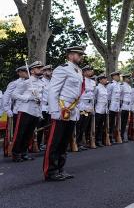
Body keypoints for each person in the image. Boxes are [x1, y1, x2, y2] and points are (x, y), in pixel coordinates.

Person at [44, 45, 86, 181]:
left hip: (72, 111)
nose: (80, 57)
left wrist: (77, 110)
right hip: (61, 110)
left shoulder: (78, 71)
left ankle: (60, 169)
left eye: (81, 55)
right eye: (78, 54)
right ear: (70, 55)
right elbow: (53, 90)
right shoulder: (62, 69)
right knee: (55, 142)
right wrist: (54, 110)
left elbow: (77, 93)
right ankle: (50, 171)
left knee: (64, 142)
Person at [11, 61, 44, 162]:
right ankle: (16, 154)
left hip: (35, 111)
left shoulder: (41, 83)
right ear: (32, 70)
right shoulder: (25, 82)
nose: (41, 70)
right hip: (25, 110)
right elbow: (14, 95)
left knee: (29, 134)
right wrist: (28, 97)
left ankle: (24, 153)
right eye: (38, 68)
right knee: (20, 133)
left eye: (41, 68)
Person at [76, 65, 95, 150]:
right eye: (88, 70)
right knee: (79, 125)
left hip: (88, 107)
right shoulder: (81, 81)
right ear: (84, 72)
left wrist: (92, 107)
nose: (91, 72)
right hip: (81, 106)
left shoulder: (92, 82)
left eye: (91, 70)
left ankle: (79, 142)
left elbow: (92, 96)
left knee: (84, 125)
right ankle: (75, 142)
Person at [93, 75, 109, 147]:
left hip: (104, 110)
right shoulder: (97, 88)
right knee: (95, 126)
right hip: (98, 109)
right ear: (100, 80)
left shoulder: (105, 88)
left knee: (101, 126)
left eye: (105, 79)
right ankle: (93, 140)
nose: (106, 80)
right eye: (104, 79)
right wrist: (93, 109)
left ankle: (99, 140)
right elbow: (94, 99)